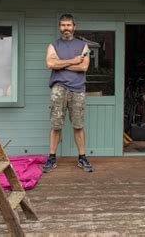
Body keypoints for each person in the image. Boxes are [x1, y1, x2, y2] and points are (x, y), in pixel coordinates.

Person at [42, 14, 93, 173]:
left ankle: (82, 157)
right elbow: (50, 63)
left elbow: (83, 67)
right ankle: (52, 158)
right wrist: (73, 60)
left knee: (78, 125)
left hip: (78, 89)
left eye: (69, 25)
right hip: (58, 88)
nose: (66, 28)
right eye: (63, 25)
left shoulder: (83, 46)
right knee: (56, 125)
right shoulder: (53, 45)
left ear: (74, 27)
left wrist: (61, 64)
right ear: (59, 27)